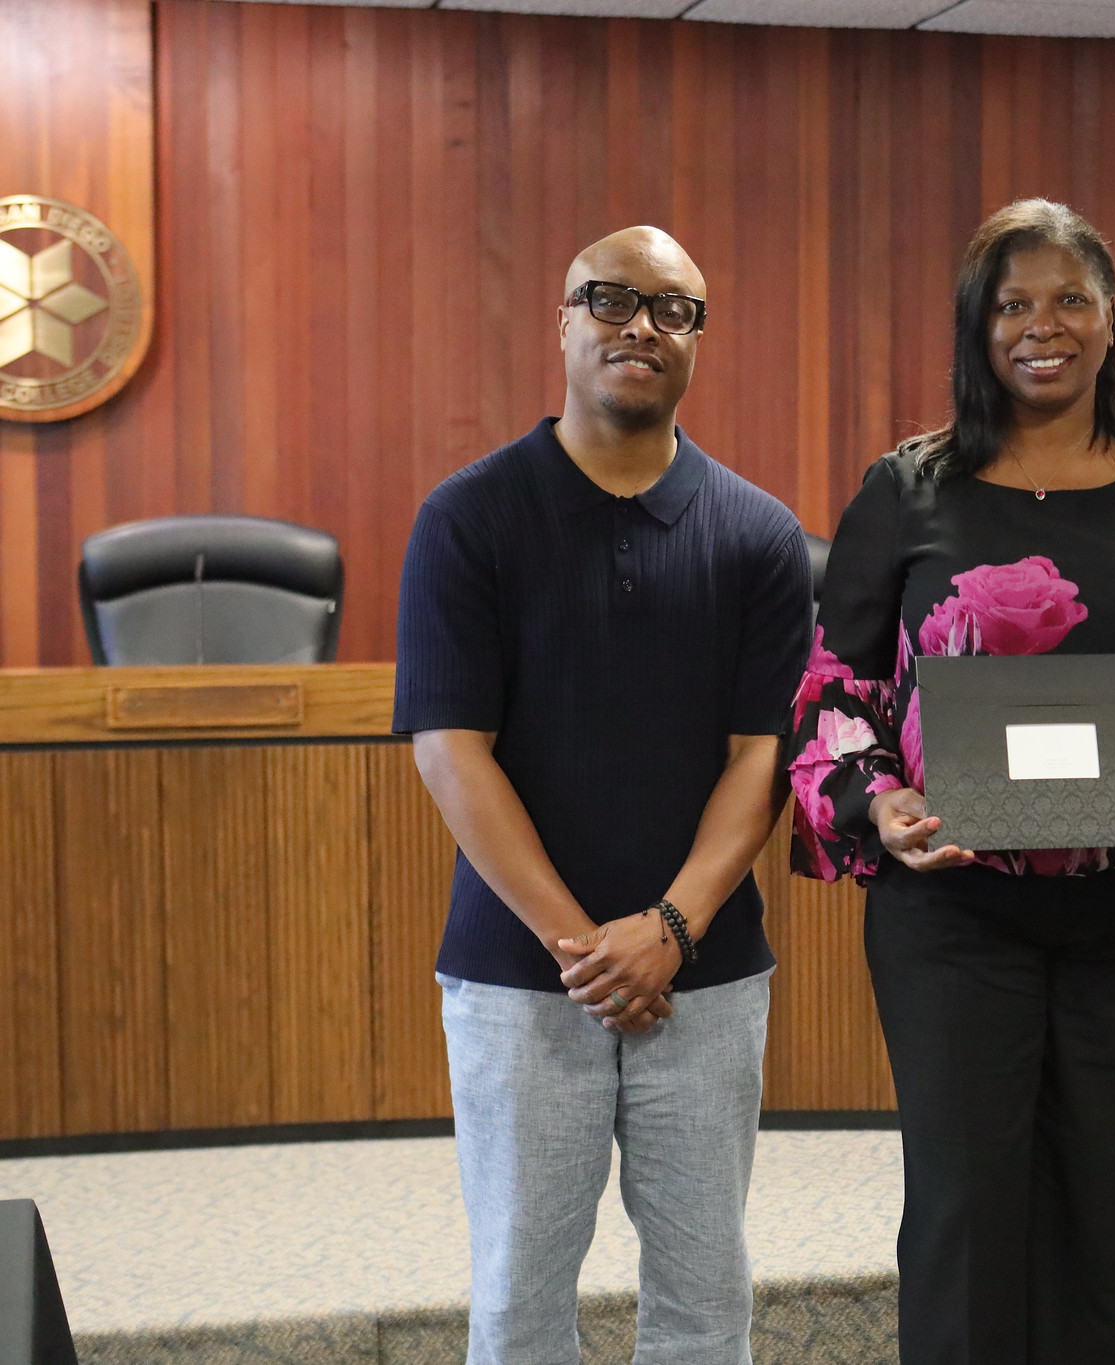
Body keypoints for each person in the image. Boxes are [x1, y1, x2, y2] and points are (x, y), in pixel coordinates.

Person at [787, 198, 1115, 1365]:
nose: (1042, 327)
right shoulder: (906, 489)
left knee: (1110, 1215)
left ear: (1110, 321)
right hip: (954, 920)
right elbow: (830, 697)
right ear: (976, 325)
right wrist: (878, 807)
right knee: (965, 1216)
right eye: (1013, 303)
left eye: (1070, 298)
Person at [395, 226, 813, 1364]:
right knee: (521, 1298)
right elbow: (450, 751)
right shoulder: (468, 518)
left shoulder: (761, 536)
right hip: (521, 979)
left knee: (703, 1299)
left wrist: (669, 931)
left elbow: (758, 758)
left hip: (706, 980)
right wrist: (590, 948)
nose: (641, 325)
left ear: (695, 339)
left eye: (672, 309)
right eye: (611, 300)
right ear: (564, 321)